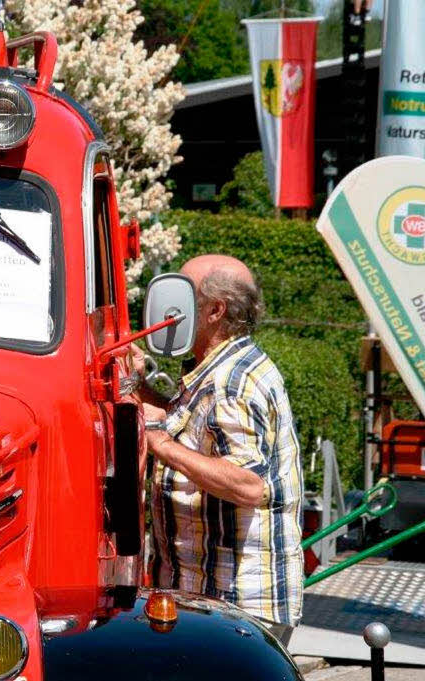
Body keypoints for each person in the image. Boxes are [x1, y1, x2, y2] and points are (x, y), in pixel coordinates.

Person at [139, 254, 303, 645]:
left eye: (184, 294)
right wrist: (136, 387)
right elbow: (193, 428)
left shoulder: (232, 382)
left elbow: (249, 485)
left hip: (236, 605)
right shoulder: (220, 367)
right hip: (213, 596)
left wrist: (160, 444)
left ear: (215, 310)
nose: (171, 308)